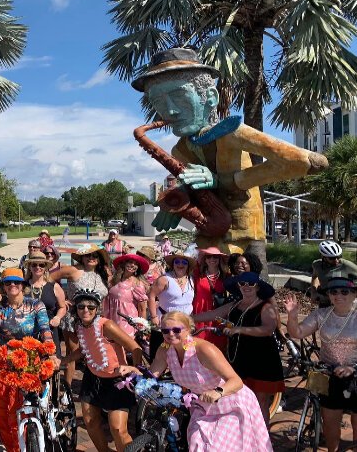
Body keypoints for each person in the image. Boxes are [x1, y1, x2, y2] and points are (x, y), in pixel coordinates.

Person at [133, 48, 326, 270]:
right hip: (210, 236)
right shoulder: (180, 150)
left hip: (246, 238)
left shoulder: (233, 132)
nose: (170, 111)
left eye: (179, 96)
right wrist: (181, 199)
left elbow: (304, 162)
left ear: (211, 98)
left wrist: (224, 180)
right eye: (157, 101)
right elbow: (203, 192)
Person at [122, 311, 272, 451]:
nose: (170, 334)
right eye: (165, 331)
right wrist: (133, 372)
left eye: (176, 330)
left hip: (231, 403)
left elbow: (236, 381)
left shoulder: (204, 350)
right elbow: (152, 375)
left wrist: (217, 392)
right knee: (196, 444)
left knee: (219, 447)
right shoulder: (165, 349)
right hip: (202, 407)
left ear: (188, 329)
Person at [0, 268, 56, 452]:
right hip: (5, 359)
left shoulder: (36, 305)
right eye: (8, 283)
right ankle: (13, 447)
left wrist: (50, 350)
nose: (12, 285)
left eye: (16, 282)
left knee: (26, 406)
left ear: (23, 285)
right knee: (5, 412)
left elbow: (45, 329)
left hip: (30, 357)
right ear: (3, 287)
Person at [193, 272, 283, 424]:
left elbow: (268, 329)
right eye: (242, 284)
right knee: (238, 397)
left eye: (250, 283)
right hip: (239, 358)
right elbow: (212, 314)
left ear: (257, 287)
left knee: (260, 400)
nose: (246, 287)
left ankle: (262, 440)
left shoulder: (265, 306)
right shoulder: (234, 305)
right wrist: (184, 319)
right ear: (238, 286)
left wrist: (239, 329)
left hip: (262, 359)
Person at [285, 275, 357, 452]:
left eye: (344, 291)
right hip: (328, 373)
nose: (338, 295)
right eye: (333, 291)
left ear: (354, 295)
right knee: (330, 427)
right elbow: (297, 332)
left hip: (355, 374)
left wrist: (352, 368)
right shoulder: (321, 314)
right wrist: (292, 316)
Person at [63, 290, 142, 452]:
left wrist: (135, 368)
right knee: (90, 422)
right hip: (93, 378)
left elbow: (135, 348)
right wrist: (63, 361)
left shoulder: (107, 326)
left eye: (91, 307)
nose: (86, 310)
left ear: (97, 309)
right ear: (76, 309)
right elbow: (83, 349)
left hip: (117, 380)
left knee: (118, 429)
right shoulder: (79, 326)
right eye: (81, 307)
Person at [50, 244, 111, 385]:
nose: (91, 258)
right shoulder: (74, 270)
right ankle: (68, 388)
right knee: (73, 353)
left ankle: (91, 384)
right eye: (88, 255)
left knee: (93, 350)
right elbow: (49, 279)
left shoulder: (102, 274)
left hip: (95, 318)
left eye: (95, 256)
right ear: (82, 258)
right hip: (73, 317)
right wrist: (61, 299)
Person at [23, 252, 66, 357]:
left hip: (50, 327)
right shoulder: (23, 286)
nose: (38, 267)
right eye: (34, 265)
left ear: (46, 267)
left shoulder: (54, 286)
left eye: (41, 265)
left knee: (50, 362)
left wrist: (58, 317)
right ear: (29, 267)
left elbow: (62, 307)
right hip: (28, 330)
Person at [104, 254, 149, 338]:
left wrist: (143, 329)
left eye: (136, 264)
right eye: (130, 262)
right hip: (110, 319)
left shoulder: (137, 284)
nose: (133, 265)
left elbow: (142, 309)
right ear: (123, 264)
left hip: (126, 322)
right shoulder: (113, 280)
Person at [192, 247, 229, 349]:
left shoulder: (226, 276)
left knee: (218, 342)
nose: (212, 259)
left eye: (215, 256)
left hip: (218, 313)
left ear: (219, 259)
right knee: (199, 342)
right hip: (200, 312)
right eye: (208, 256)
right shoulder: (197, 274)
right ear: (205, 259)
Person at [310, 240, 357, 307]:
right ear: (323, 257)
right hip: (325, 302)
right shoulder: (317, 265)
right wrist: (313, 292)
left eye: (338, 257)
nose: (336, 260)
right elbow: (315, 277)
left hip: (342, 303)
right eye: (332, 258)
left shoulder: (346, 265)